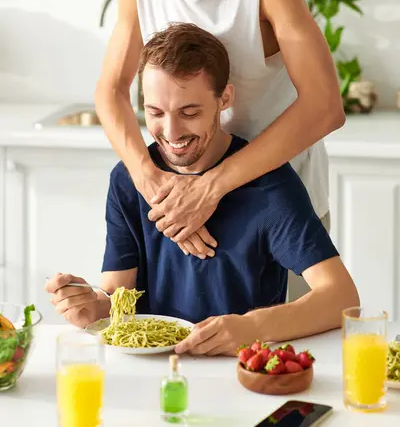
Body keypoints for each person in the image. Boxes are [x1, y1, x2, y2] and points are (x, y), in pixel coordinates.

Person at [94, 0, 346, 266]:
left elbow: (325, 107)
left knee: (289, 332)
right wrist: (148, 177)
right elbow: (111, 89)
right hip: (186, 201)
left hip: (279, 203)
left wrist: (212, 187)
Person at [46, 25, 359, 356]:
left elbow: (341, 297)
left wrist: (252, 327)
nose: (171, 132)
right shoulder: (129, 180)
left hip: (238, 368)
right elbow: (115, 295)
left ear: (224, 98)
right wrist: (90, 307)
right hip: (153, 369)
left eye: (189, 112)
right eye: (155, 113)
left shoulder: (269, 186)